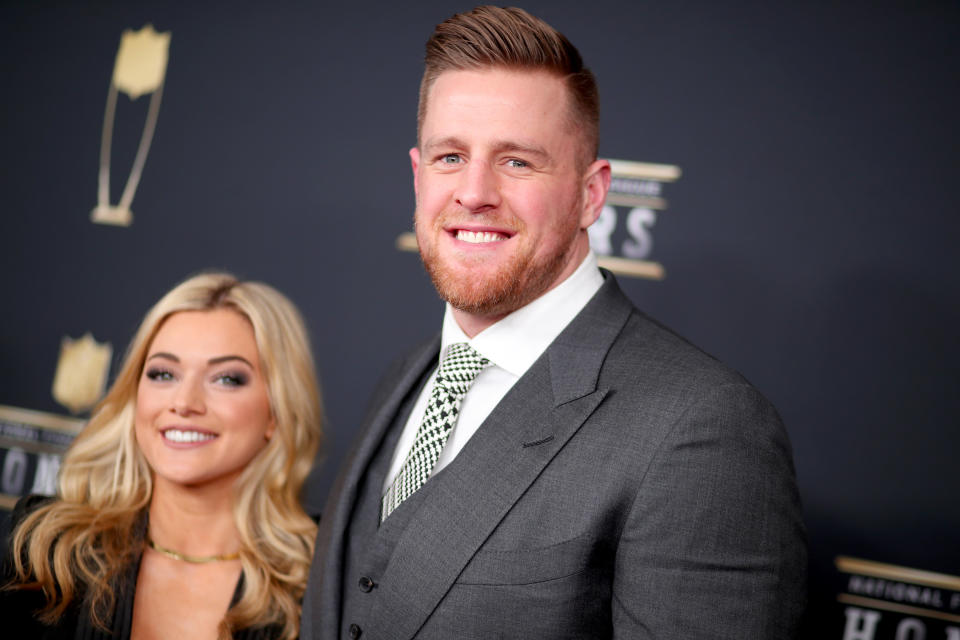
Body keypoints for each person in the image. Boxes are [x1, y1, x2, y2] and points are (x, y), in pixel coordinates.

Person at [302, 6, 806, 639]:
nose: (474, 191)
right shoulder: (407, 377)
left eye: (517, 162)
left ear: (592, 194)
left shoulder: (704, 431)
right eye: (450, 157)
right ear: (417, 174)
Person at [2, 273, 323, 640]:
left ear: (276, 412)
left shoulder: (314, 588)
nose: (184, 403)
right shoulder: (48, 550)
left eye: (227, 379)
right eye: (163, 373)